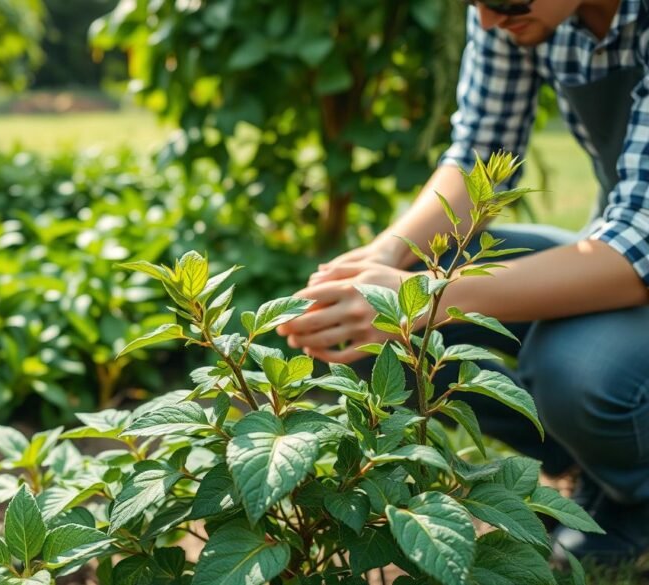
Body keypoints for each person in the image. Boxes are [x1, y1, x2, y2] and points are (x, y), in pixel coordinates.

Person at [277, 0, 649, 565]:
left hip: (630, 256)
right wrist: (386, 258)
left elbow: (635, 247)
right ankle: (594, 467)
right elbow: (480, 150)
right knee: (378, 315)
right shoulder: (525, 12)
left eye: (504, 3)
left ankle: (634, 499)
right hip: (616, 249)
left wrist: (430, 298)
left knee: (576, 369)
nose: (489, 22)